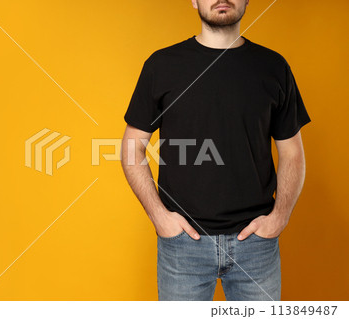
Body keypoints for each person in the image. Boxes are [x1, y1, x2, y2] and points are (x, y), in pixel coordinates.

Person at [120, 0, 311, 301]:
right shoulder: (162, 65)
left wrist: (279, 217)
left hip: (256, 247)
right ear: (194, 1)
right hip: (182, 247)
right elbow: (132, 147)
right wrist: (159, 216)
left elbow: (293, 153)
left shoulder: (273, 67)